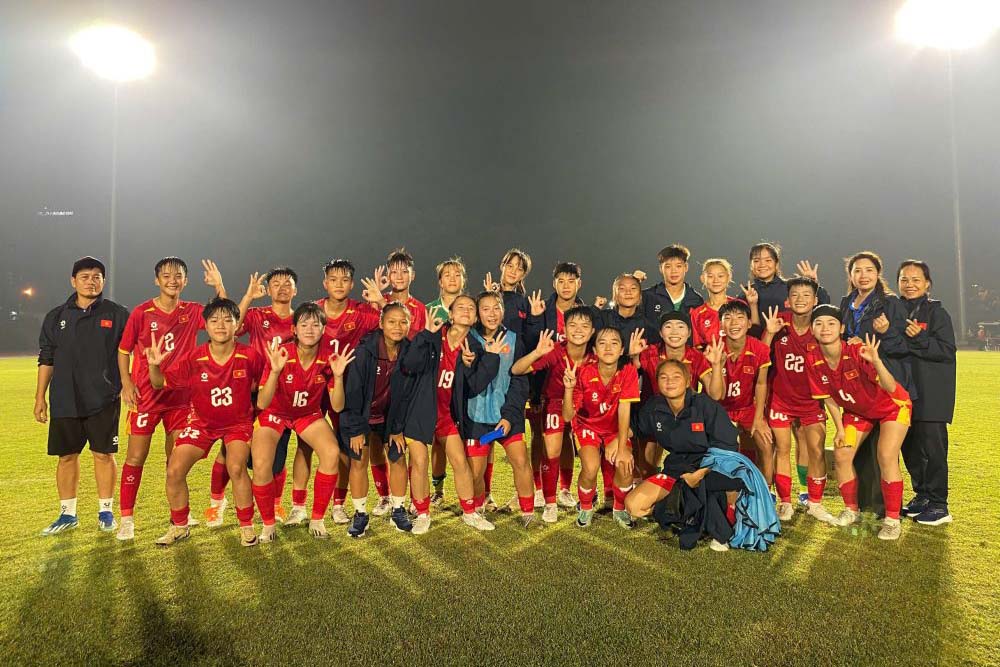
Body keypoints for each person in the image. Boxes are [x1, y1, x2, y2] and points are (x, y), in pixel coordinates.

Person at [116, 257, 227, 541]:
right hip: (146, 395)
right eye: (166, 275)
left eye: (178, 275)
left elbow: (224, 318)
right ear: (157, 280)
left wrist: (219, 287)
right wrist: (127, 382)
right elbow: (124, 350)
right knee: (136, 456)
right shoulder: (141, 313)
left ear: (185, 280)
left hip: (181, 397)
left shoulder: (192, 311)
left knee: (175, 458)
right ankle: (126, 518)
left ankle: (177, 514)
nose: (172, 280)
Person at [145, 298, 271, 547]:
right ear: (206, 325)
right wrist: (154, 366)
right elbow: (159, 383)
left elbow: (262, 385)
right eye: (214, 320)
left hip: (238, 424)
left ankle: (247, 526)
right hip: (202, 424)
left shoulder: (250, 356)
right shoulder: (194, 358)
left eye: (227, 320)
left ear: (237, 325)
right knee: (174, 469)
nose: (221, 325)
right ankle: (179, 526)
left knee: (236, 467)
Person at [36, 257, 129, 535]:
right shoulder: (56, 316)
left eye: (97, 276)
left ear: (104, 281)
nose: (92, 281)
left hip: (104, 398)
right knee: (66, 456)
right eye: (86, 276)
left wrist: (128, 383)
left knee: (103, 454)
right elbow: (47, 357)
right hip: (65, 397)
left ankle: (106, 511)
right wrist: (40, 396)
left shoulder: (117, 314)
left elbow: (130, 350)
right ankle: (67, 514)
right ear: (73, 281)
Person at [395, 295, 502, 534]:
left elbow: (474, 386)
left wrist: (485, 360)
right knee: (420, 462)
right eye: (460, 307)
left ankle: (470, 512)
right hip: (420, 412)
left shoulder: (473, 347)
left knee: (460, 461)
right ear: (450, 315)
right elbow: (408, 365)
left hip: (445, 414)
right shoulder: (433, 335)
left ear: (474, 318)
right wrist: (425, 335)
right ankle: (422, 513)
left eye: (470, 308)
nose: (465, 311)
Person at [203, 266, 299, 528]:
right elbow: (232, 328)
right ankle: (216, 503)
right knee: (229, 450)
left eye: (287, 283)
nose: (281, 287)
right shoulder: (257, 315)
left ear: (295, 289)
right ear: (267, 290)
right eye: (275, 283)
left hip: (282, 396)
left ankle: (276, 502)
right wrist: (246, 297)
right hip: (247, 392)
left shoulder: (300, 320)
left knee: (276, 457)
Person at [250, 302, 354, 540]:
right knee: (262, 462)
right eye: (304, 324)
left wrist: (338, 377)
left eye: (315, 324)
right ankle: (268, 524)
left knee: (331, 452)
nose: (310, 329)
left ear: (323, 329)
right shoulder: (281, 353)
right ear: (294, 329)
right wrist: (275, 371)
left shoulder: (329, 357)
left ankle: (317, 519)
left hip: (307, 414)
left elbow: (337, 405)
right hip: (275, 413)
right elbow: (262, 404)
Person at [807, 305, 911, 541]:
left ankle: (892, 520)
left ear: (841, 328)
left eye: (831, 323)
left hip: (892, 406)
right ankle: (851, 509)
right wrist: (840, 429)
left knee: (886, 456)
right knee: (842, 455)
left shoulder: (855, 350)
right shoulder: (813, 358)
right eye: (819, 323)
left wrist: (876, 361)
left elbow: (890, 387)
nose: (825, 328)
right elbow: (829, 397)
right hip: (858, 412)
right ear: (812, 329)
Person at [624, 359, 748, 552]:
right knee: (634, 506)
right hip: (677, 469)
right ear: (657, 382)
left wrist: (700, 474)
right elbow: (633, 427)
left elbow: (729, 447)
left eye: (676, 376)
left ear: (688, 380)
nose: (670, 382)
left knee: (724, 491)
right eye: (664, 377)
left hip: (712, 468)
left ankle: (712, 514)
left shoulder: (705, 405)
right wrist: (617, 441)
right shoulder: (655, 406)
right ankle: (685, 513)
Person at [295, 258, 380, 526]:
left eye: (345, 280)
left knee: (343, 446)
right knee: (305, 445)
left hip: (345, 385)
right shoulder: (313, 311)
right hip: (313, 384)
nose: (339, 284)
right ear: (325, 283)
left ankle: (338, 504)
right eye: (334, 279)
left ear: (352, 284)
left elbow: (394, 324)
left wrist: (381, 301)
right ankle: (298, 506)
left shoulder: (360, 312)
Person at [838, 251, 914, 514]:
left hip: (886, 385)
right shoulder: (847, 302)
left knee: (885, 454)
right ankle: (862, 506)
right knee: (856, 453)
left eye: (868, 270)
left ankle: (887, 511)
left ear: (878, 273)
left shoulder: (890, 303)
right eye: (857, 270)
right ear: (850, 275)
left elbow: (905, 345)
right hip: (858, 388)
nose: (863, 275)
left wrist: (885, 333)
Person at [759, 278, 836, 523]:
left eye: (806, 295)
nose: (800, 299)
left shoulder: (821, 326)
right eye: (795, 294)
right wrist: (769, 333)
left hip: (812, 402)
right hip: (781, 400)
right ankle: (784, 502)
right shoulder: (779, 322)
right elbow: (760, 355)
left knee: (815, 449)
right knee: (782, 450)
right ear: (787, 300)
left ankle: (813, 500)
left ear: (815, 300)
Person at [512, 307, 596, 523]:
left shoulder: (596, 355)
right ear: (564, 330)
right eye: (573, 326)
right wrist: (537, 353)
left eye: (584, 326)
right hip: (556, 403)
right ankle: (550, 503)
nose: (578, 330)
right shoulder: (557, 351)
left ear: (592, 331)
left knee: (594, 452)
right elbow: (517, 369)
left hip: (586, 405)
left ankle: (591, 495)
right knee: (552, 450)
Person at [339, 302, 415, 537]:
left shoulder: (410, 352)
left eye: (403, 321)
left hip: (390, 417)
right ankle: (360, 514)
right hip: (361, 416)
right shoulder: (364, 351)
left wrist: (397, 428)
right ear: (381, 324)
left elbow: (406, 396)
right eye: (391, 321)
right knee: (359, 459)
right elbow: (353, 391)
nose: (397, 326)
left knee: (397, 454)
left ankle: (398, 509)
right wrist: (355, 429)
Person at [460, 291, 535, 525]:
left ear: (503, 310)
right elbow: (468, 384)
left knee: (521, 460)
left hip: (506, 417)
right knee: (475, 470)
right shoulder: (468, 339)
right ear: (477, 313)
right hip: (477, 419)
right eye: (485, 309)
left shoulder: (513, 339)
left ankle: (528, 513)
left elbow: (519, 381)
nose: (491, 314)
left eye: (496, 308)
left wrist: (510, 416)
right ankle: (477, 508)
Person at [629, 311, 724, 482]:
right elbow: (632, 373)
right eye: (668, 326)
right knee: (647, 467)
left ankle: (683, 493)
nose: (674, 332)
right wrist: (634, 356)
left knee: (687, 466)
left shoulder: (696, 356)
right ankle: (653, 491)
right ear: (660, 332)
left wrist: (717, 366)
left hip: (684, 418)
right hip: (653, 416)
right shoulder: (649, 352)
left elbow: (716, 394)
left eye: (680, 327)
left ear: (689, 333)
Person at [562, 327, 640, 529]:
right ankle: (586, 506)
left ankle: (619, 508)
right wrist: (568, 389)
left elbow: (624, 411)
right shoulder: (584, 372)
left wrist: (621, 447)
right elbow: (568, 416)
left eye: (614, 343)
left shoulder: (628, 371)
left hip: (614, 428)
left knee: (625, 464)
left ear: (622, 350)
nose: (608, 347)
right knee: (590, 466)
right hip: (587, 426)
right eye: (602, 343)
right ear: (595, 350)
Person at [897, 260, 956, 526]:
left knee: (933, 449)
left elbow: (946, 350)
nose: (909, 285)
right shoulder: (894, 310)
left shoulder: (936, 313)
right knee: (909, 447)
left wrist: (918, 339)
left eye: (915, 280)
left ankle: (939, 504)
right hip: (903, 394)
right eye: (904, 279)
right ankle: (921, 495)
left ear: (927, 283)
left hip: (931, 394)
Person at [526, 262, 586, 510]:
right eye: (561, 281)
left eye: (571, 281)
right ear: (554, 284)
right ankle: (539, 488)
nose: (566, 286)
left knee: (568, 436)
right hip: (545, 386)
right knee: (540, 436)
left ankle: (564, 488)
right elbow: (532, 346)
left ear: (579, 284)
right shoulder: (544, 310)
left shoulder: (585, 313)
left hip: (577, 387)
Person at [424, 256, 468, 506]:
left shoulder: (469, 307)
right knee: (436, 443)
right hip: (435, 388)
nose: (452, 278)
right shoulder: (429, 310)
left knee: (474, 442)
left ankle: (483, 492)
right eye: (447, 274)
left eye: (457, 274)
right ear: (440, 281)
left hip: (462, 386)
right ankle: (438, 490)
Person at [716, 301, 773, 475]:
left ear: (749, 323)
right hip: (719, 408)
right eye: (728, 318)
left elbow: (761, 383)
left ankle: (766, 491)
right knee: (720, 450)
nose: (734, 323)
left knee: (766, 443)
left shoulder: (760, 348)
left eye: (740, 318)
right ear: (720, 324)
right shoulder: (714, 348)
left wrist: (758, 418)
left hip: (747, 406)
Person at [363, 248, 427, 338]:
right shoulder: (376, 300)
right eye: (394, 272)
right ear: (387, 276)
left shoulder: (421, 309)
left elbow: (420, 343)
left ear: (412, 275)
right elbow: (370, 333)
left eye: (404, 272)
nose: (399, 277)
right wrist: (375, 299)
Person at [639, 244, 705, 331]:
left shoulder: (696, 300)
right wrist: (633, 282)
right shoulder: (647, 296)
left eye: (678, 266)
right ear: (660, 269)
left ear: (686, 267)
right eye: (668, 266)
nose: (674, 271)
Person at [689, 258, 739, 350]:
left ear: (729, 277)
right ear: (703, 279)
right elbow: (698, 348)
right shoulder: (697, 314)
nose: (716, 280)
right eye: (710, 276)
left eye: (720, 276)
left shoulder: (739, 306)